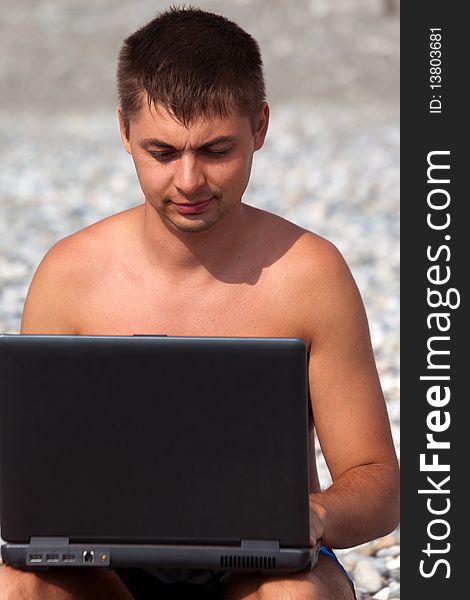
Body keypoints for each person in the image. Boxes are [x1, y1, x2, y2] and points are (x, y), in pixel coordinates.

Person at [0, 5, 399, 599]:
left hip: (262, 572)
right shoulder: (70, 275)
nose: (188, 181)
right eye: (162, 152)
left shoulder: (309, 274)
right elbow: (35, 481)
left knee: (299, 596)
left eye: (216, 150)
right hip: (107, 571)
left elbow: (379, 485)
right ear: (123, 130)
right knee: (17, 586)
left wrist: (316, 516)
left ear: (260, 127)